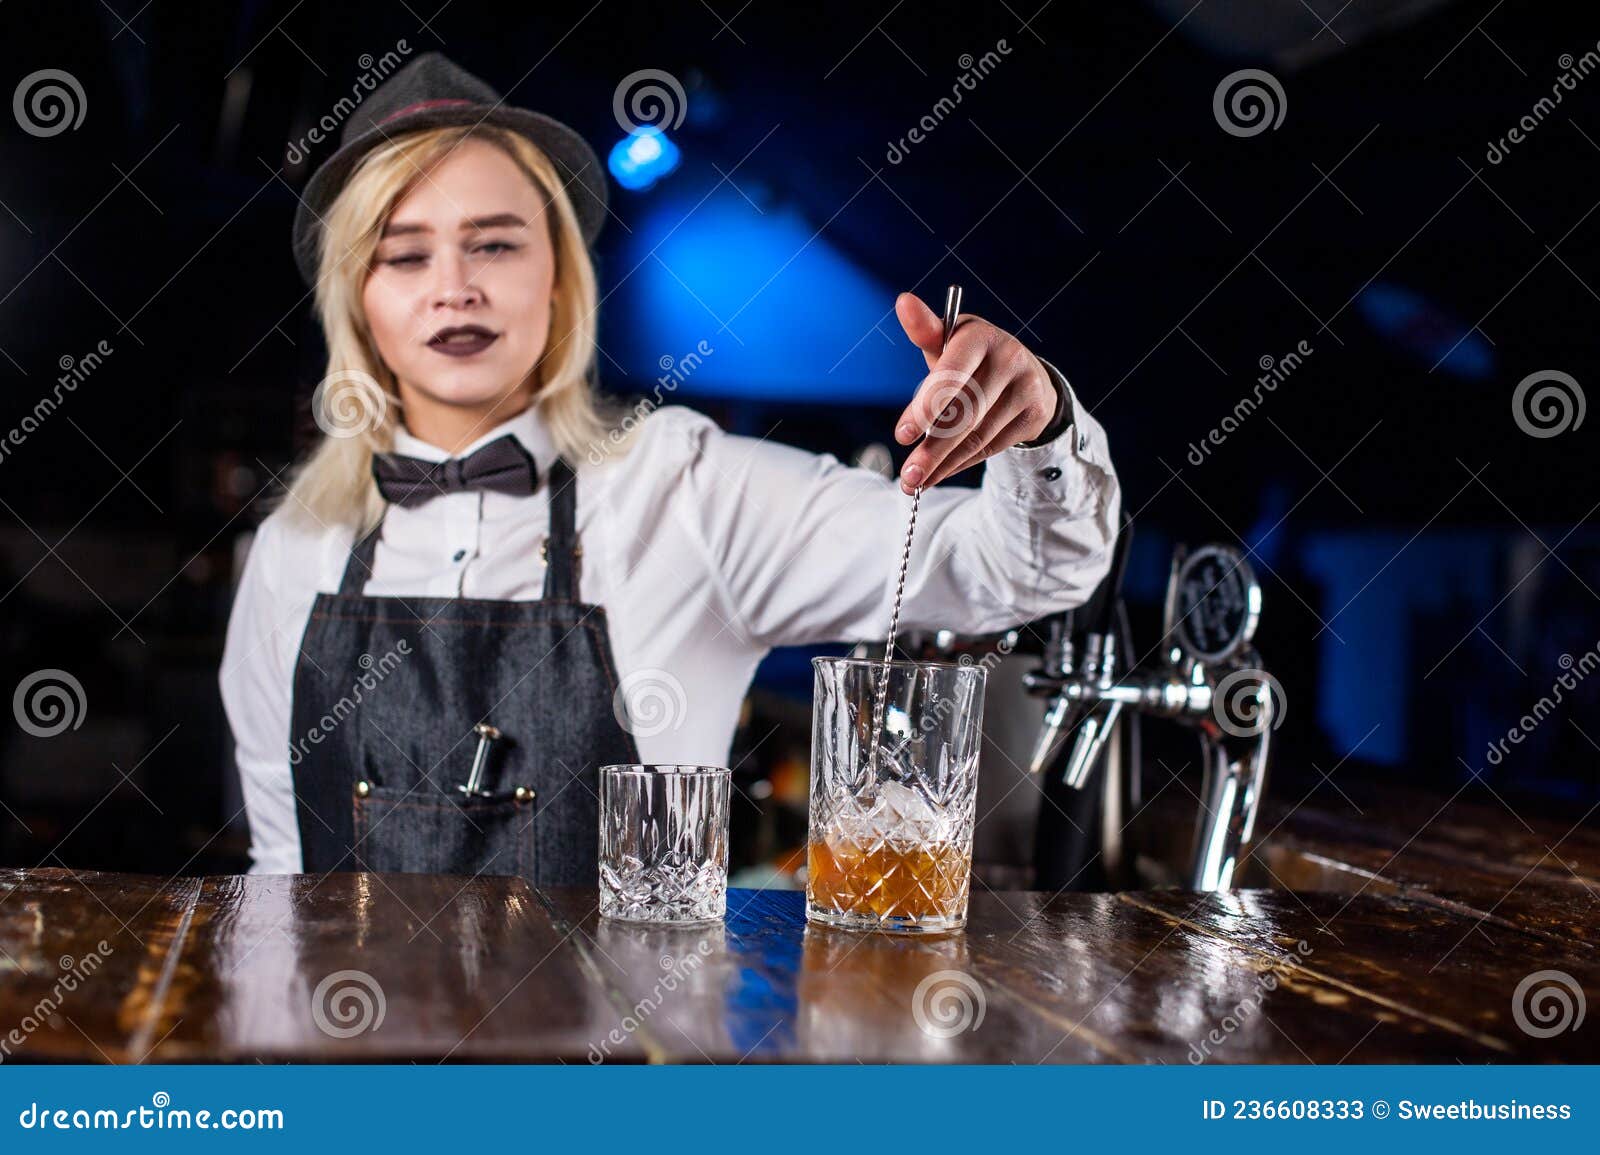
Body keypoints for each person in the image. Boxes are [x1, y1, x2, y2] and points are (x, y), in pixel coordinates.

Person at [219, 52, 1120, 883]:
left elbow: (1023, 569)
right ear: (357, 299)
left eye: (495, 242)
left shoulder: (686, 489)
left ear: (559, 278)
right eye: (405, 254)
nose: (455, 284)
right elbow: (280, 876)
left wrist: (1039, 430)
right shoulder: (292, 552)